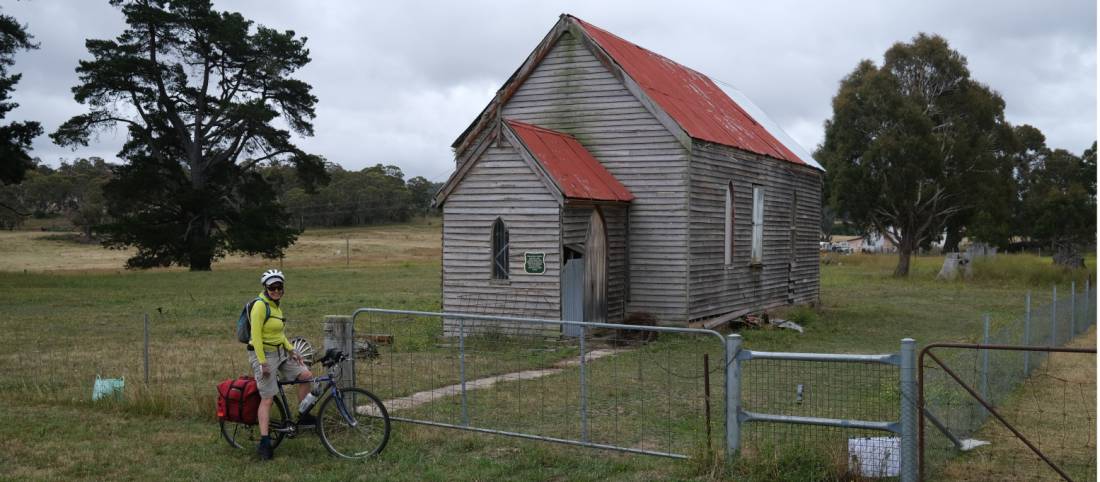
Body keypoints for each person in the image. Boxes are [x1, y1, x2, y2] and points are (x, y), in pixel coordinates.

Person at [249, 269, 315, 460]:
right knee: (268, 398)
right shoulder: (260, 306)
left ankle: (303, 416)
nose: (276, 291)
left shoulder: (276, 306)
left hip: (280, 352)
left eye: (279, 287)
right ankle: (264, 442)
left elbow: (279, 334)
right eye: (272, 287)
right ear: (265, 288)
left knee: (305, 376)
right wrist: (262, 362)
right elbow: (256, 336)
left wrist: (292, 350)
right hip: (263, 354)